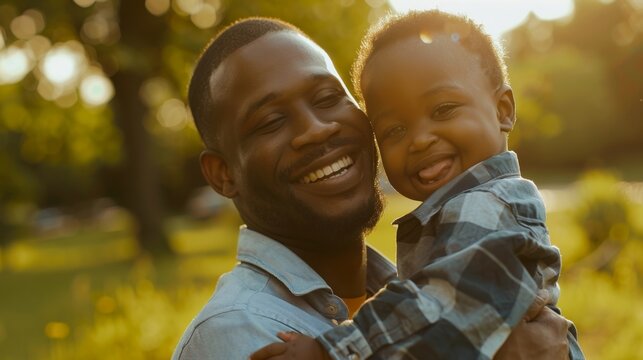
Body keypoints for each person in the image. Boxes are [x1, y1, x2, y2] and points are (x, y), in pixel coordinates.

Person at [172, 16, 578, 360]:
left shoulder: (442, 251)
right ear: (223, 173)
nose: (316, 130)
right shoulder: (236, 333)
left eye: (328, 97)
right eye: (270, 122)